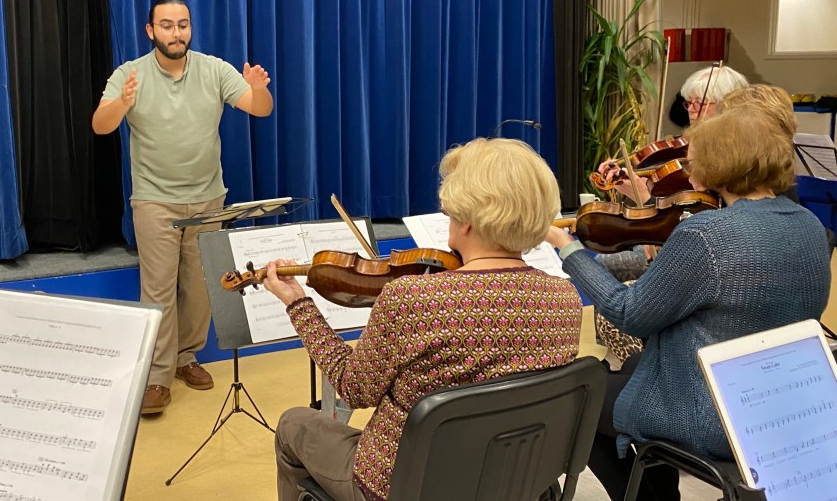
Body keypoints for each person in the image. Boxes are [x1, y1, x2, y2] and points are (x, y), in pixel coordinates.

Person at [262, 138, 584, 501]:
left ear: (467, 222)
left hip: (407, 484)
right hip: (515, 478)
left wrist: (299, 305)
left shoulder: (411, 298)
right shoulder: (565, 299)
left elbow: (354, 389)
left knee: (294, 424)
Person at [545, 109, 831, 501]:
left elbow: (629, 313)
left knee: (581, 392)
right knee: (631, 366)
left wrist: (568, 249)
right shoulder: (809, 224)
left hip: (716, 416)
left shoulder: (706, 234)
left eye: (694, 158)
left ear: (722, 162)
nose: (687, 166)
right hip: (783, 404)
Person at [92, 0, 274, 415]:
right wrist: (122, 103)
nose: (177, 33)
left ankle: (186, 358)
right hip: (154, 200)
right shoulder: (130, 74)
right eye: (168, 25)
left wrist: (258, 89)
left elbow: (260, 110)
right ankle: (157, 377)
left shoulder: (214, 69)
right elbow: (100, 125)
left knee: (199, 287)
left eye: (183, 25)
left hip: (209, 198)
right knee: (158, 289)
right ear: (150, 31)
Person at [596, 64, 749, 206]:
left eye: (700, 102)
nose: (691, 109)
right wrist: (631, 180)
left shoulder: (736, 157)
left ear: (727, 105)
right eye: (689, 102)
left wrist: (645, 198)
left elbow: (702, 215)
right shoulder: (682, 147)